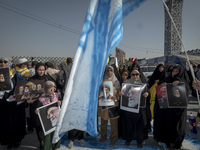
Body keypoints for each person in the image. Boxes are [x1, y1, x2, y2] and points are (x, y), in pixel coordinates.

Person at [154, 66, 190, 149]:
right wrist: (162, 86)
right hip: (168, 111)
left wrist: (179, 83)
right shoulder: (167, 80)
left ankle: (177, 143)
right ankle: (168, 142)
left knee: (178, 127)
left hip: (179, 111)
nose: (175, 73)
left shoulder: (183, 81)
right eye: (173, 71)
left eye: (177, 71)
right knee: (168, 125)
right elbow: (159, 94)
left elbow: (186, 95)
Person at [0, 57, 26, 149]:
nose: (3, 64)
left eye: (5, 62)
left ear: (9, 63)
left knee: (14, 121)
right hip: (2, 102)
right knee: (5, 121)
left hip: (13, 101)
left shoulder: (15, 74)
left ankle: (16, 139)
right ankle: (7, 140)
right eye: (1, 62)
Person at [119, 70, 149, 148]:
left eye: (137, 74)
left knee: (140, 126)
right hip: (129, 110)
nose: (135, 76)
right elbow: (123, 93)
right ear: (131, 75)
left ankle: (139, 141)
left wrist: (147, 94)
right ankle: (128, 139)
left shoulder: (143, 84)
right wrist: (121, 93)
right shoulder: (126, 84)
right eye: (133, 74)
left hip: (140, 109)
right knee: (129, 125)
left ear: (139, 75)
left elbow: (147, 93)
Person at [27, 62, 50, 149]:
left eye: (43, 70)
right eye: (40, 70)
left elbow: (52, 90)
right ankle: (41, 142)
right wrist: (28, 99)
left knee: (45, 124)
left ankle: (46, 141)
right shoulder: (31, 79)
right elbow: (26, 92)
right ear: (36, 70)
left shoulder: (47, 78)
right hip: (36, 105)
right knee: (38, 125)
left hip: (45, 105)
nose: (41, 71)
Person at [98, 65, 120, 146]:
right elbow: (98, 92)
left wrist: (115, 97)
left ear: (113, 72)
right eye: (107, 70)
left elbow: (118, 94)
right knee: (103, 122)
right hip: (104, 105)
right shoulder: (101, 81)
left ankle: (113, 138)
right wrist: (99, 95)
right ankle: (103, 137)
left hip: (113, 105)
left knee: (114, 123)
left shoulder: (116, 82)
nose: (109, 72)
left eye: (111, 70)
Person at [36, 80, 61, 150]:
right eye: (51, 89)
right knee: (47, 135)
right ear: (46, 90)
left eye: (54, 89)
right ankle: (47, 147)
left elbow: (59, 104)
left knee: (55, 133)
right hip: (47, 121)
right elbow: (38, 108)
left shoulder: (56, 95)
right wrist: (37, 111)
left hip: (55, 119)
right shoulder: (42, 99)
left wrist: (59, 103)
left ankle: (55, 146)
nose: (53, 91)